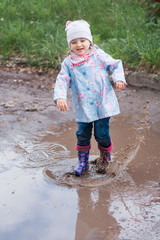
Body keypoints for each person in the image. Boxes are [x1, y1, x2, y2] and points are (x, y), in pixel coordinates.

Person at [54, 20, 126, 176]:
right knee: (82, 134)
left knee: (101, 134)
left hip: (102, 103)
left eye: (82, 40)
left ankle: (105, 156)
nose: (79, 45)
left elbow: (115, 64)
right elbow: (62, 79)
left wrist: (118, 78)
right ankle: (82, 161)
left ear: (89, 41)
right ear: (70, 44)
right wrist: (60, 96)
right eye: (74, 42)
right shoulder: (69, 62)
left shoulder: (98, 55)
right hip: (83, 106)